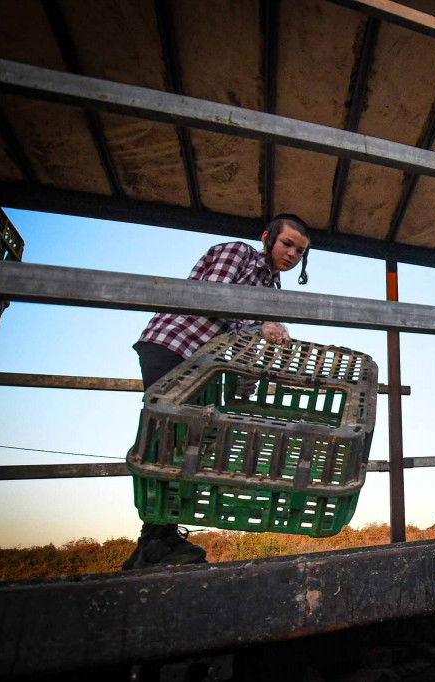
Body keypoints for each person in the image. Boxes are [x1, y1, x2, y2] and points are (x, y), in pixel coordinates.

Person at [122, 214, 311, 570]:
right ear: (268, 238)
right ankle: (156, 540)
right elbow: (213, 299)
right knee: (166, 437)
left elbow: (245, 345)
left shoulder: (272, 290)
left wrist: (246, 384)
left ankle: (156, 540)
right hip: (174, 344)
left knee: (187, 444)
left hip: (204, 366)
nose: (291, 254)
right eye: (287, 244)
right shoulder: (238, 253)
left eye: (300, 251)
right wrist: (261, 325)